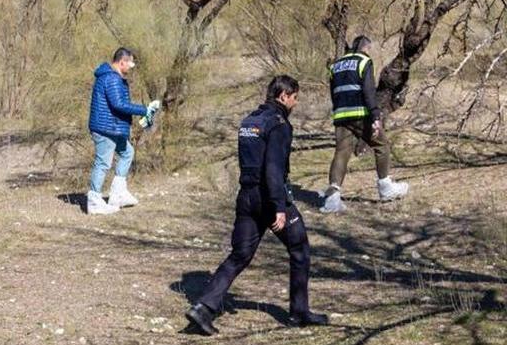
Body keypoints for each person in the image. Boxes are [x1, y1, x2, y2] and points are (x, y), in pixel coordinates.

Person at [185, 75, 328, 335]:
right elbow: (273, 169)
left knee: (239, 255)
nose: (295, 104)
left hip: (247, 197)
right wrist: (280, 208)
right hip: (269, 198)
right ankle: (298, 313)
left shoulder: (249, 122)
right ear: (284, 95)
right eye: (295, 98)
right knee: (299, 248)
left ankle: (203, 307)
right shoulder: (279, 124)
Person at [320, 35, 408, 213]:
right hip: (360, 114)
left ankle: (332, 199)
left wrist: (338, 114)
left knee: (341, 153)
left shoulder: (336, 65)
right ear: (365, 48)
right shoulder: (363, 61)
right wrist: (375, 116)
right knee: (382, 145)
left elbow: (333, 93)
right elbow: (368, 91)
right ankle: (385, 187)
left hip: (341, 116)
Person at [87, 47, 159, 214]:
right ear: (122, 62)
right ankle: (94, 201)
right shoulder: (111, 79)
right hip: (106, 129)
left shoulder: (113, 77)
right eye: (130, 63)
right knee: (103, 163)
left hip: (114, 128)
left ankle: (117, 194)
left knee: (127, 152)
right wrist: (145, 110)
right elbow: (118, 104)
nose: (131, 67)